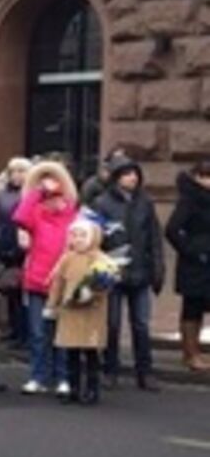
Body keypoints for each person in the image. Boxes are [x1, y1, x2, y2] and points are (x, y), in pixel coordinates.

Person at [92, 156, 164, 391]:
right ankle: (110, 369)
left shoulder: (145, 203)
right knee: (112, 324)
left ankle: (145, 371)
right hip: (113, 271)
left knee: (141, 324)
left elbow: (154, 238)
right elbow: (95, 238)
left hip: (140, 270)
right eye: (126, 174)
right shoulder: (102, 203)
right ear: (116, 178)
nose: (132, 178)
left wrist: (157, 269)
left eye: (134, 173)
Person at [14, 160, 78, 395]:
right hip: (37, 282)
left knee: (62, 334)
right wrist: (36, 192)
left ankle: (63, 376)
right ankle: (38, 376)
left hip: (62, 283)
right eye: (48, 198)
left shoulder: (73, 217)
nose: (53, 202)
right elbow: (19, 217)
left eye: (56, 197)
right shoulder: (37, 215)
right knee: (38, 333)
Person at [46, 217, 111, 405]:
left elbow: (105, 284)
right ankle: (73, 387)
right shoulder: (67, 258)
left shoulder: (100, 259)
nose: (78, 239)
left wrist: (92, 293)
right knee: (71, 352)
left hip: (92, 313)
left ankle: (92, 389)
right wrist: (52, 304)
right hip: (70, 311)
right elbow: (58, 283)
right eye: (74, 235)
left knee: (91, 353)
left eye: (83, 235)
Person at [164, 160, 210, 372]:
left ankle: (196, 352)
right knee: (193, 307)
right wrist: (193, 250)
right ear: (198, 177)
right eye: (206, 176)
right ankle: (191, 354)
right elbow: (172, 229)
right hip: (195, 265)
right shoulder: (190, 199)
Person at [0, 157, 31, 347]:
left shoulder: (31, 194)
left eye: (21, 171)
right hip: (6, 246)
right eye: (13, 171)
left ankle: (25, 332)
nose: (16, 175)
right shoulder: (2, 195)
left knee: (25, 294)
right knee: (10, 290)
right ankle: (14, 329)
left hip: (26, 249)